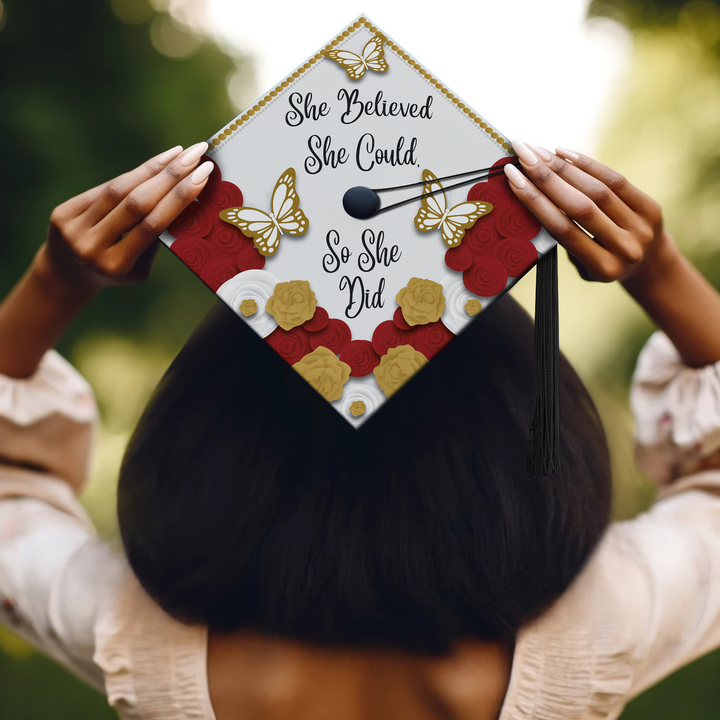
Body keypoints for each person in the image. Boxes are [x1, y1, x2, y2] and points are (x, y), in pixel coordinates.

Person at [1, 137, 719, 720]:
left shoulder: (136, 631)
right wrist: (659, 272)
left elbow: (10, 499)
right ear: (511, 431)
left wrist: (55, 282)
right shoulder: (603, 621)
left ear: (212, 429)